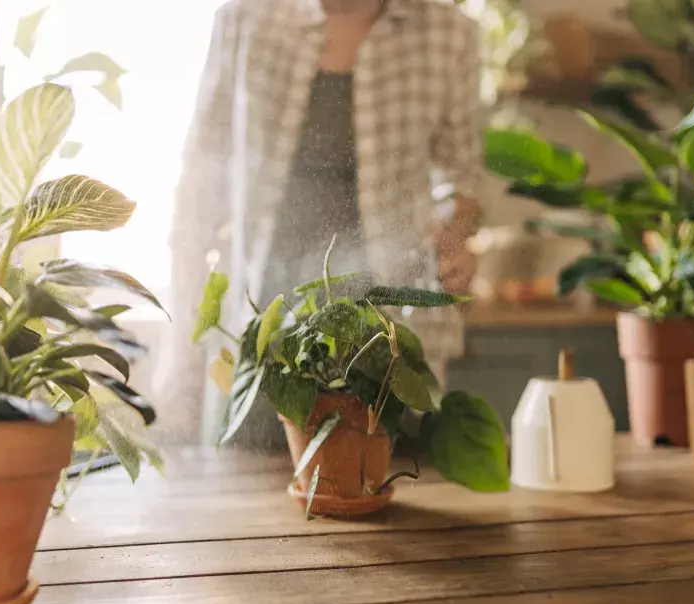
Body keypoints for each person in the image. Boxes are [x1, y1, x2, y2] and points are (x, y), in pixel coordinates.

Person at [160, 0, 483, 446]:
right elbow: (200, 188)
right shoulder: (247, 20)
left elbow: (461, 179)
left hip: (389, 342)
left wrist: (452, 236)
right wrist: (182, 357)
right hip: (259, 340)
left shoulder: (449, 34)